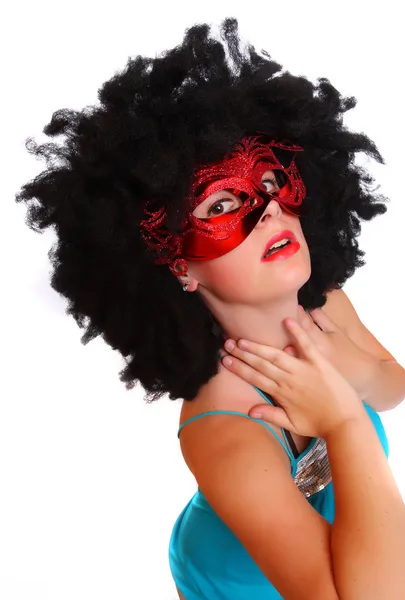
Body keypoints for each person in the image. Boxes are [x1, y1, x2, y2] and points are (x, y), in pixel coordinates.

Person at [15, 17, 405, 600]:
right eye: (224, 203)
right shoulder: (222, 429)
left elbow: (393, 388)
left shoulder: (325, 307)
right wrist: (343, 421)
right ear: (178, 264)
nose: (269, 209)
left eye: (273, 180)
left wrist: (353, 372)